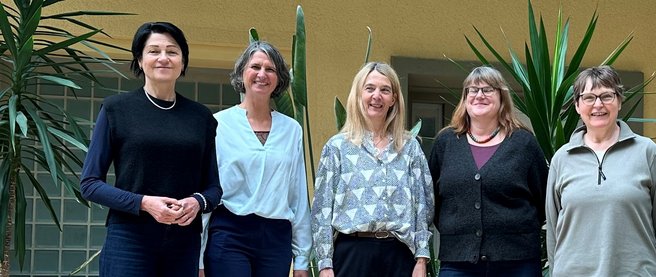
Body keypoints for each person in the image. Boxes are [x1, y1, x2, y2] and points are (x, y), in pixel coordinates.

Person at [79, 22, 221, 277]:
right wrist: (144, 203)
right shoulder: (115, 109)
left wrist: (197, 202)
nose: (163, 58)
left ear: (183, 62)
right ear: (140, 60)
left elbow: (213, 188)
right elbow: (90, 184)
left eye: (172, 51)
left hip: (184, 241)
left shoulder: (201, 118)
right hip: (129, 238)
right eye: (154, 51)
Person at [545, 66, 656, 276]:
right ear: (577, 105)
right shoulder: (562, 159)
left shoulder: (647, 152)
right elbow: (553, 231)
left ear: (619, 101)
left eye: (607, 96)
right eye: (589, 98)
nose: (598, 104)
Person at [311, 62, 434, 277]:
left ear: (393, 99)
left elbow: (423, 206)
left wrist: (421, 259)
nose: (377, 96)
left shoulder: (410, 148)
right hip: (352, 254)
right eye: (370, 88)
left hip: (399, 255)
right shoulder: (337, 147)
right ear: (359, 94)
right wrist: (325, 264)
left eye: (385, 90)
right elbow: (322, 208)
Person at [199, 41, 311, 277]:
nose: (262, 74)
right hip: (230, 231)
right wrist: (198, 256)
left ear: (279, 79)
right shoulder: (218, 124)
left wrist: (302, 258)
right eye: (255, 67)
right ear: (242, 73)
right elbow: (207, 187)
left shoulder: (292, 129)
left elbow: (297, 194)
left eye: (270, 69)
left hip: (276, 237)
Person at [428, 66, 547, 276]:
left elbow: (543, 200)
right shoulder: (445, 143)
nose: (479, 95)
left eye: (488, 89)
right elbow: (433, 201)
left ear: (502, 97)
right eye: (473, 90)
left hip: (517, 262)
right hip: (458, 261)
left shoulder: (524, 143)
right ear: (465, 98)